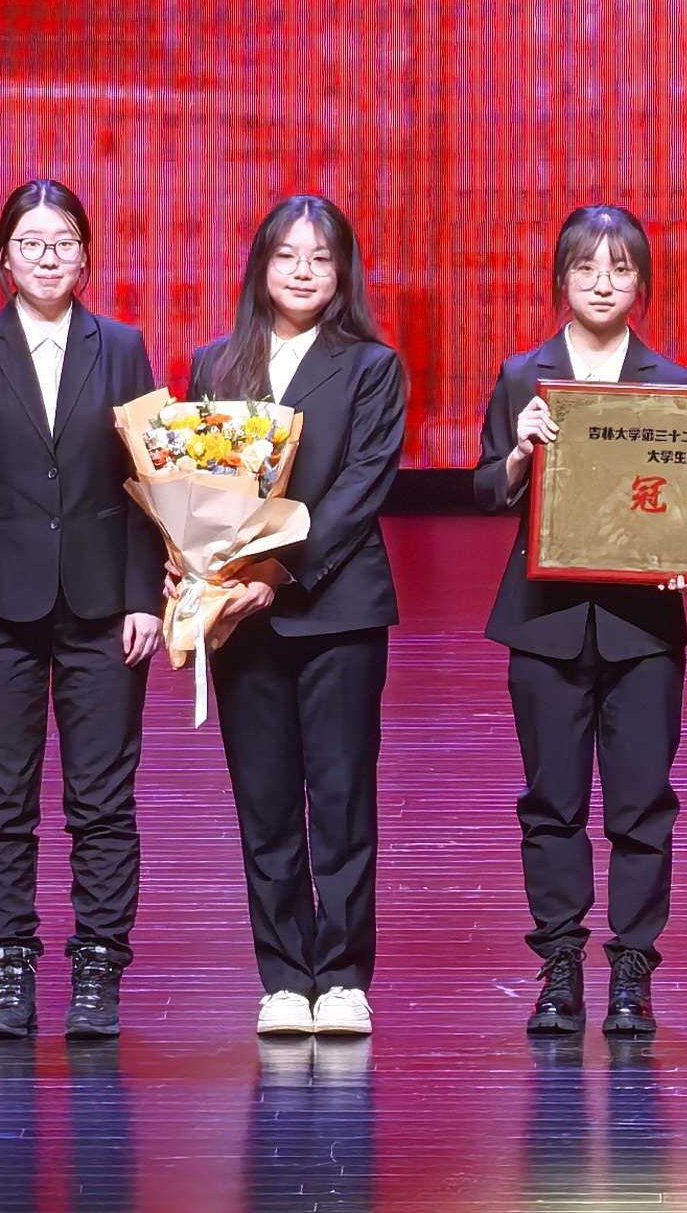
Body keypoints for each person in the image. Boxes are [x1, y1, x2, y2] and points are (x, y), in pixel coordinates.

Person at [0, 179, 162, 1045]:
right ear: (3, 259)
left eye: (63, 242)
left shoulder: (121, 346)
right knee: (0, 796)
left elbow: (148, 478)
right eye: (30, 243)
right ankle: (8, 967)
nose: (48, 257)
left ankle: (97, 966)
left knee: (102, 797)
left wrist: (143, 595)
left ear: (86, 257)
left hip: (103, 604)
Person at [186, 193, 407, 1042]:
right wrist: (195, 561)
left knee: (342, 798)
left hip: (336, 610)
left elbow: (359, 489)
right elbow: (192, 485)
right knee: (264, 800)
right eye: (287, 256)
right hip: (240, 616)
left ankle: (343, 977)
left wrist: (276, 571)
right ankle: (282, 977)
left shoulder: (370, 366)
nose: (304, 271)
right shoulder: (216, 364)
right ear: (261, 267)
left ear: (342, 272)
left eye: (321, 257)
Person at [473, 202, 687, 1041]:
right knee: (551, 803)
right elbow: (486, 492)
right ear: (560, 279)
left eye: (620, 269)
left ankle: (632, 969)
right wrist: (518, 453)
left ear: (642, 283)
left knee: (642, 806)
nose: (603, 284)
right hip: (546, 622)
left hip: (643, 626)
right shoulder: (521, 374)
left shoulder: (672, 382)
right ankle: (559, 965)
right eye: (586, 269)